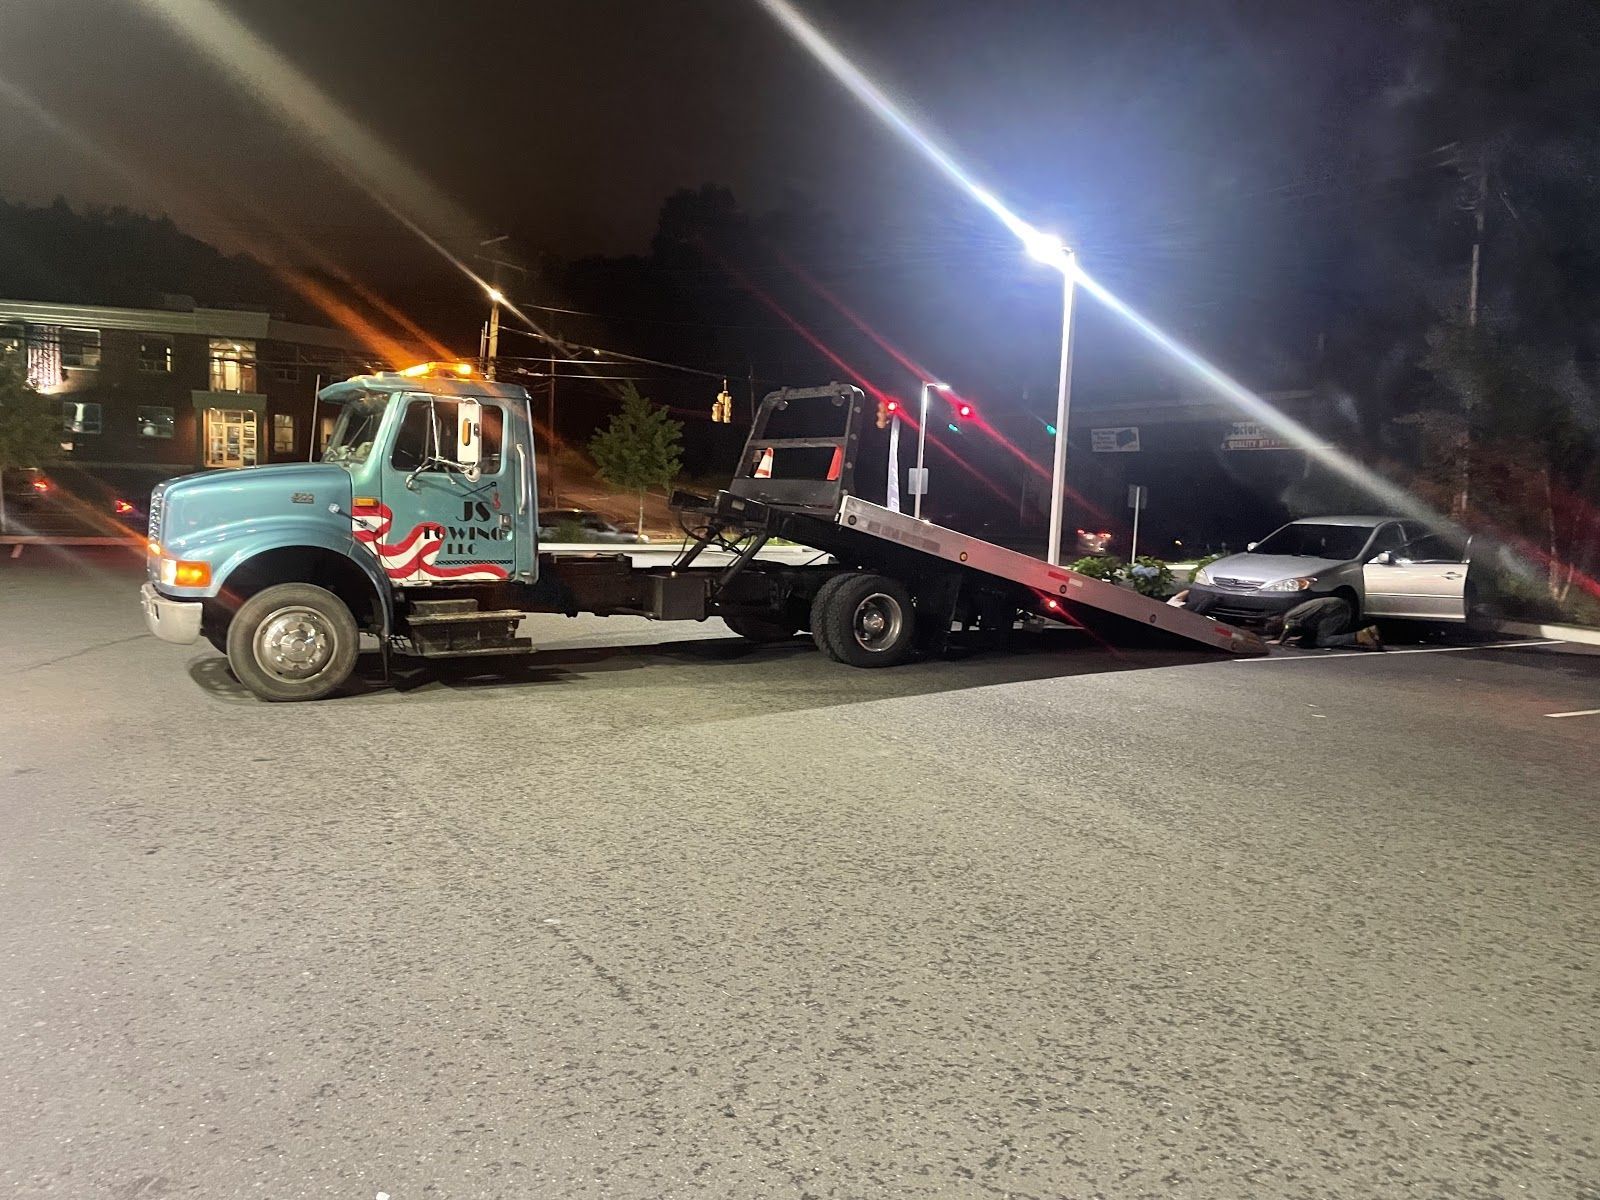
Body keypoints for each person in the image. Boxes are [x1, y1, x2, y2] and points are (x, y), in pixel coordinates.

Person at [1272, 596, 1384, 650]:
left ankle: (1360, 636)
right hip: (1336, 606)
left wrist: (1281, 640)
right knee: (1324, 636)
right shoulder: (1295, 612)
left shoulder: (1288, 618)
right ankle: (1371, 635)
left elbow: (1289, 626)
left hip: (1331, 610)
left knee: (1323, 641)